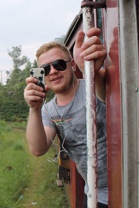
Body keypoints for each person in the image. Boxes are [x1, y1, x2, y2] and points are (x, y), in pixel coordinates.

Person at [24, 27, 108, 208]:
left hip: (126, 185)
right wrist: (34, 109)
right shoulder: (47, 111)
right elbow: (38, 149)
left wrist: (91, 72)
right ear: (42, 76)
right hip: (95, 195)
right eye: (45, 69)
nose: (53, 71)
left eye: (59, 64)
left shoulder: (94, 84)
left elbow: (105, 93)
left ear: (72, 64)